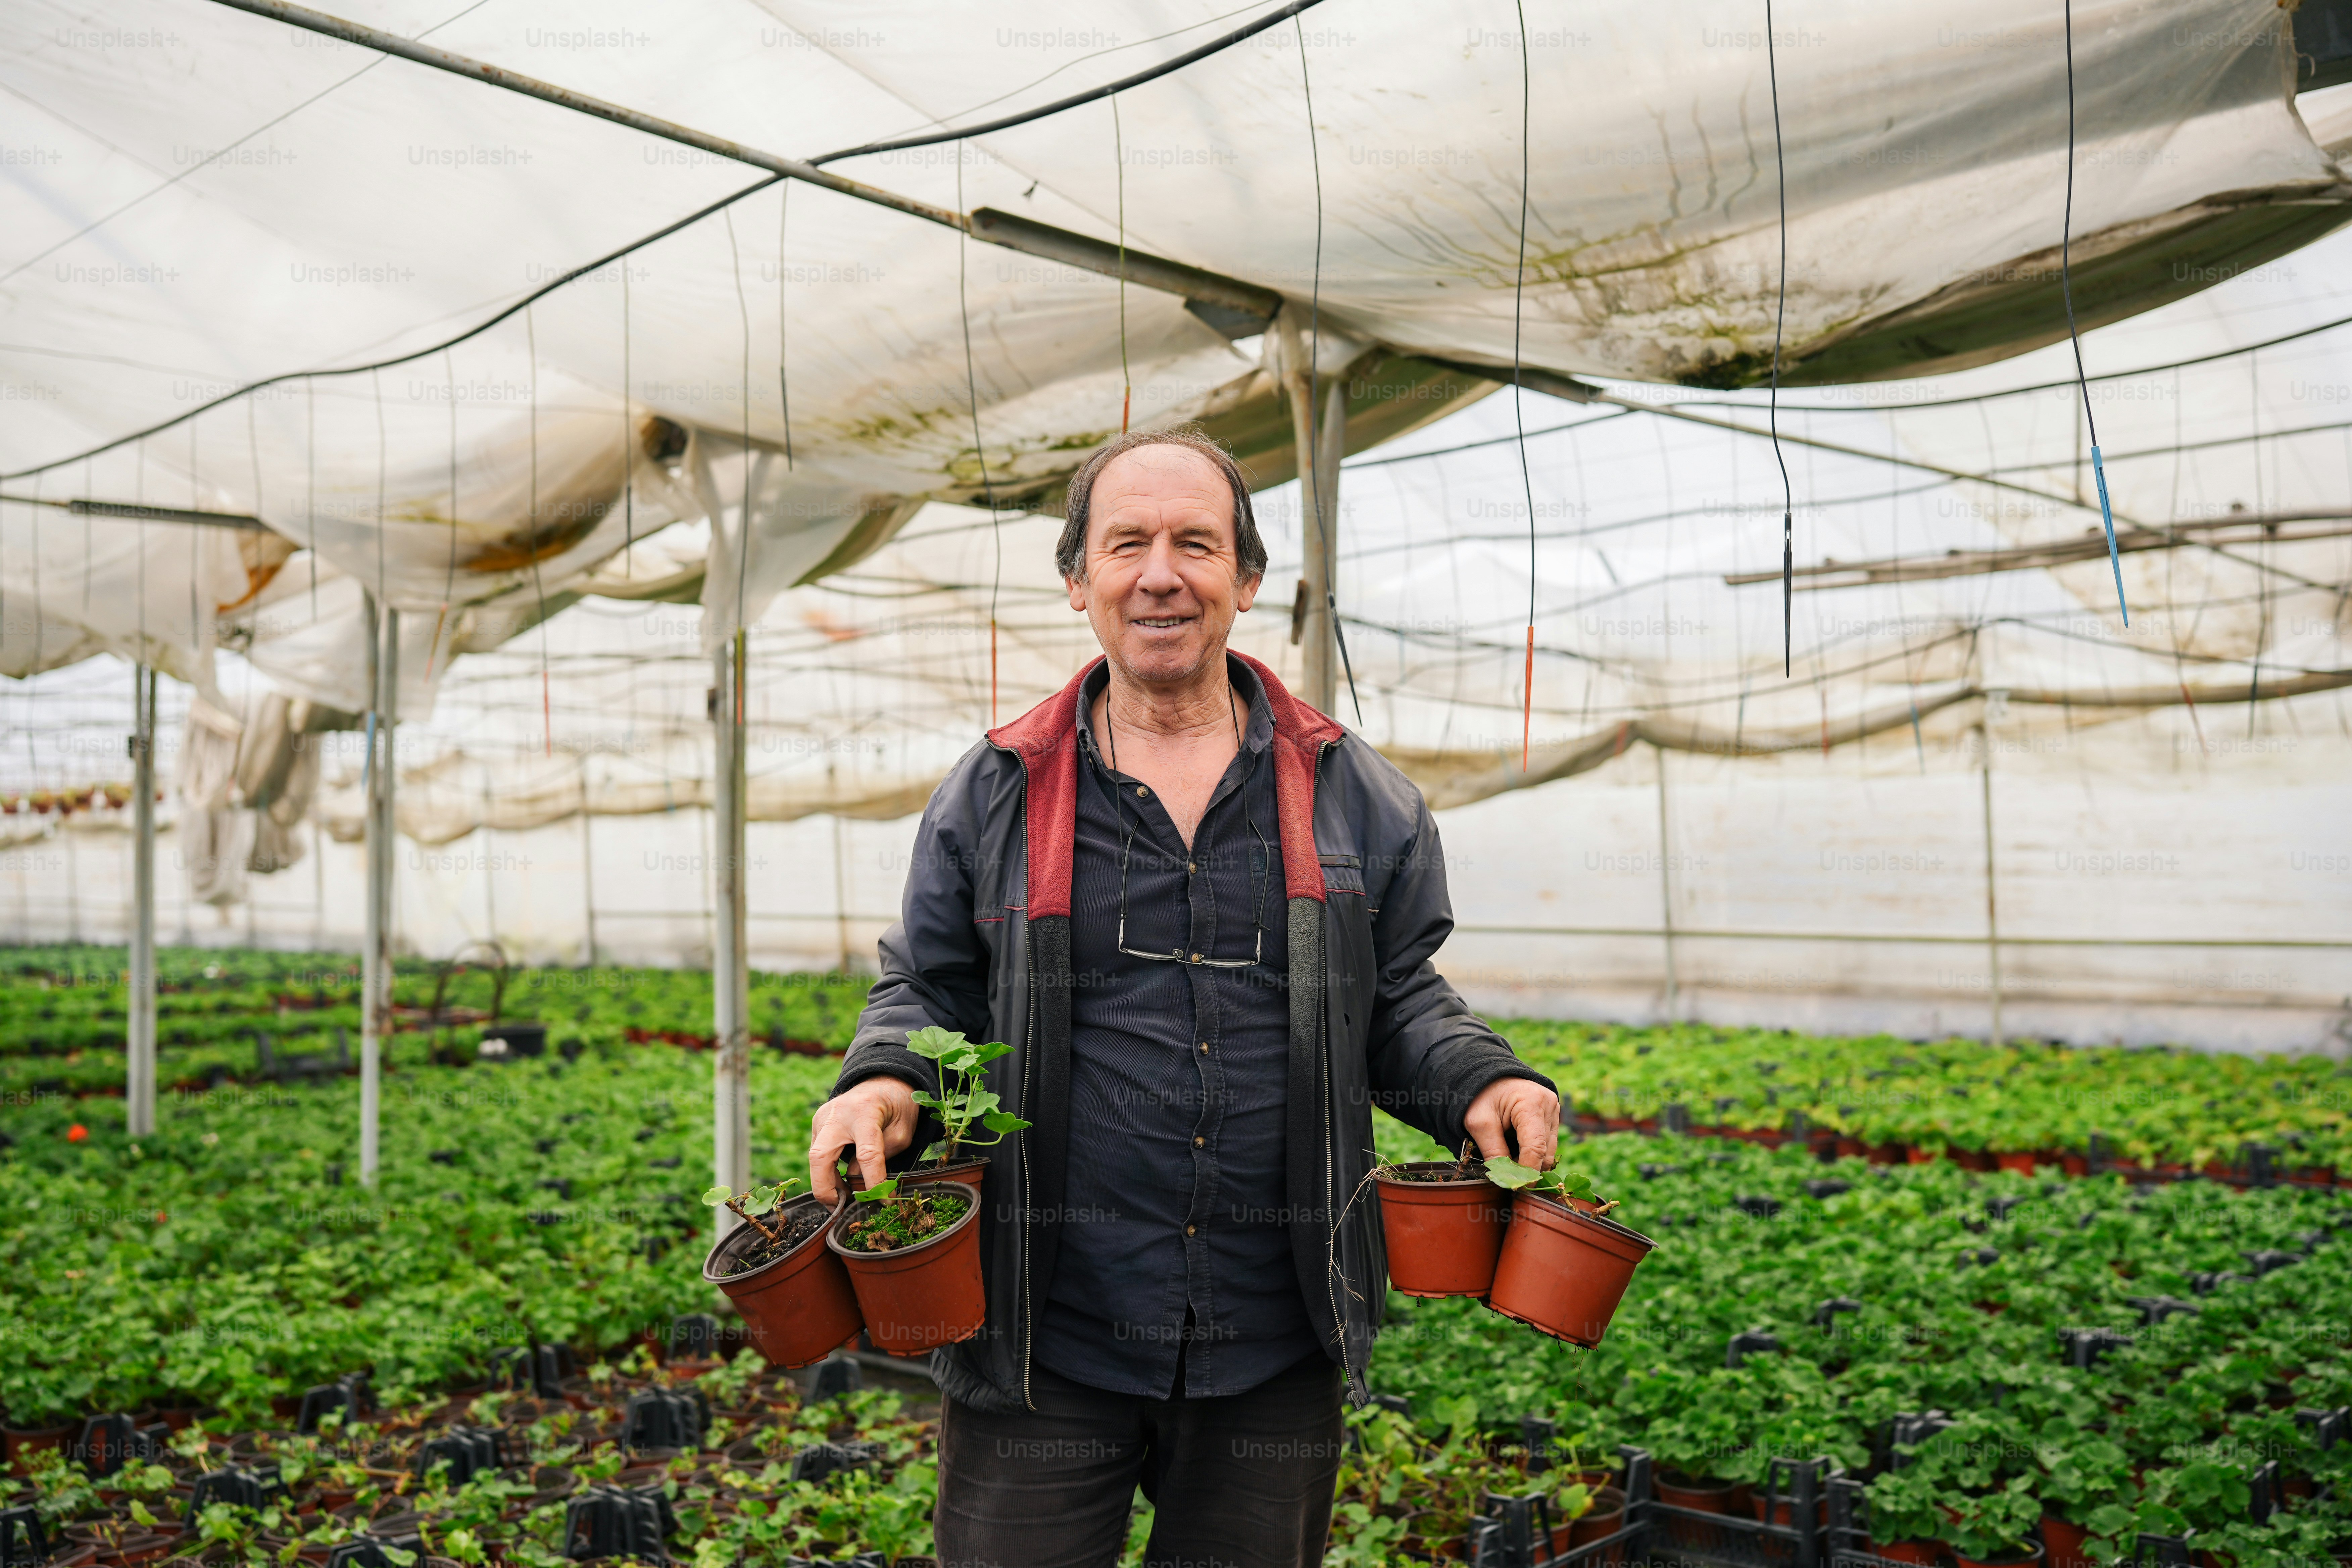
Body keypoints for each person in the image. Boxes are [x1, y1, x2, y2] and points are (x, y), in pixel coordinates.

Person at [807, 427, 1559, 1567]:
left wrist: (1483, 1075)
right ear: (1079, 582)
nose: (1162, 572)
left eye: (1196, 544)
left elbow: (1397, 992)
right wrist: (879, 1080)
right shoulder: (999, 789)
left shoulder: (1354, 793)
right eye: (1128, 544)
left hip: (1274, 1333)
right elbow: (931, 983)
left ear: (1245, 582)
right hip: (1043, 1334)